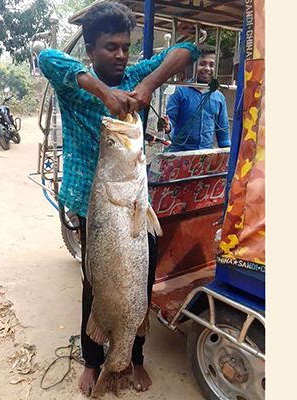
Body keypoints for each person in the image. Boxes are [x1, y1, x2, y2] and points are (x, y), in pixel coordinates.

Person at [37, 2, 199, 396]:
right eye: (111, 47)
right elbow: (45, 57)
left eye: (125, 46)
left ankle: (133, 356)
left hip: (133, 202)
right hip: (93, 202)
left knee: (139, 281)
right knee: (97, 283)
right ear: (91, 51)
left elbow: (188, 49)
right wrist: (105, 93)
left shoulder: (136, 74)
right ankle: (93, 361)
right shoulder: (74, 84)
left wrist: (148, 85)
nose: (121, 54)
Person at [165, 48, 231, 151]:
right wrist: (166, 125)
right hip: (179, 155)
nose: (207, 68)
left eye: (211, 65)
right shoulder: (180, 91)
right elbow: (171, 120)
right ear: (194, 66)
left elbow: (223, 134)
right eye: (202, 64)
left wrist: (228, 157)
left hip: (205, 156)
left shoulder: (219, 97)